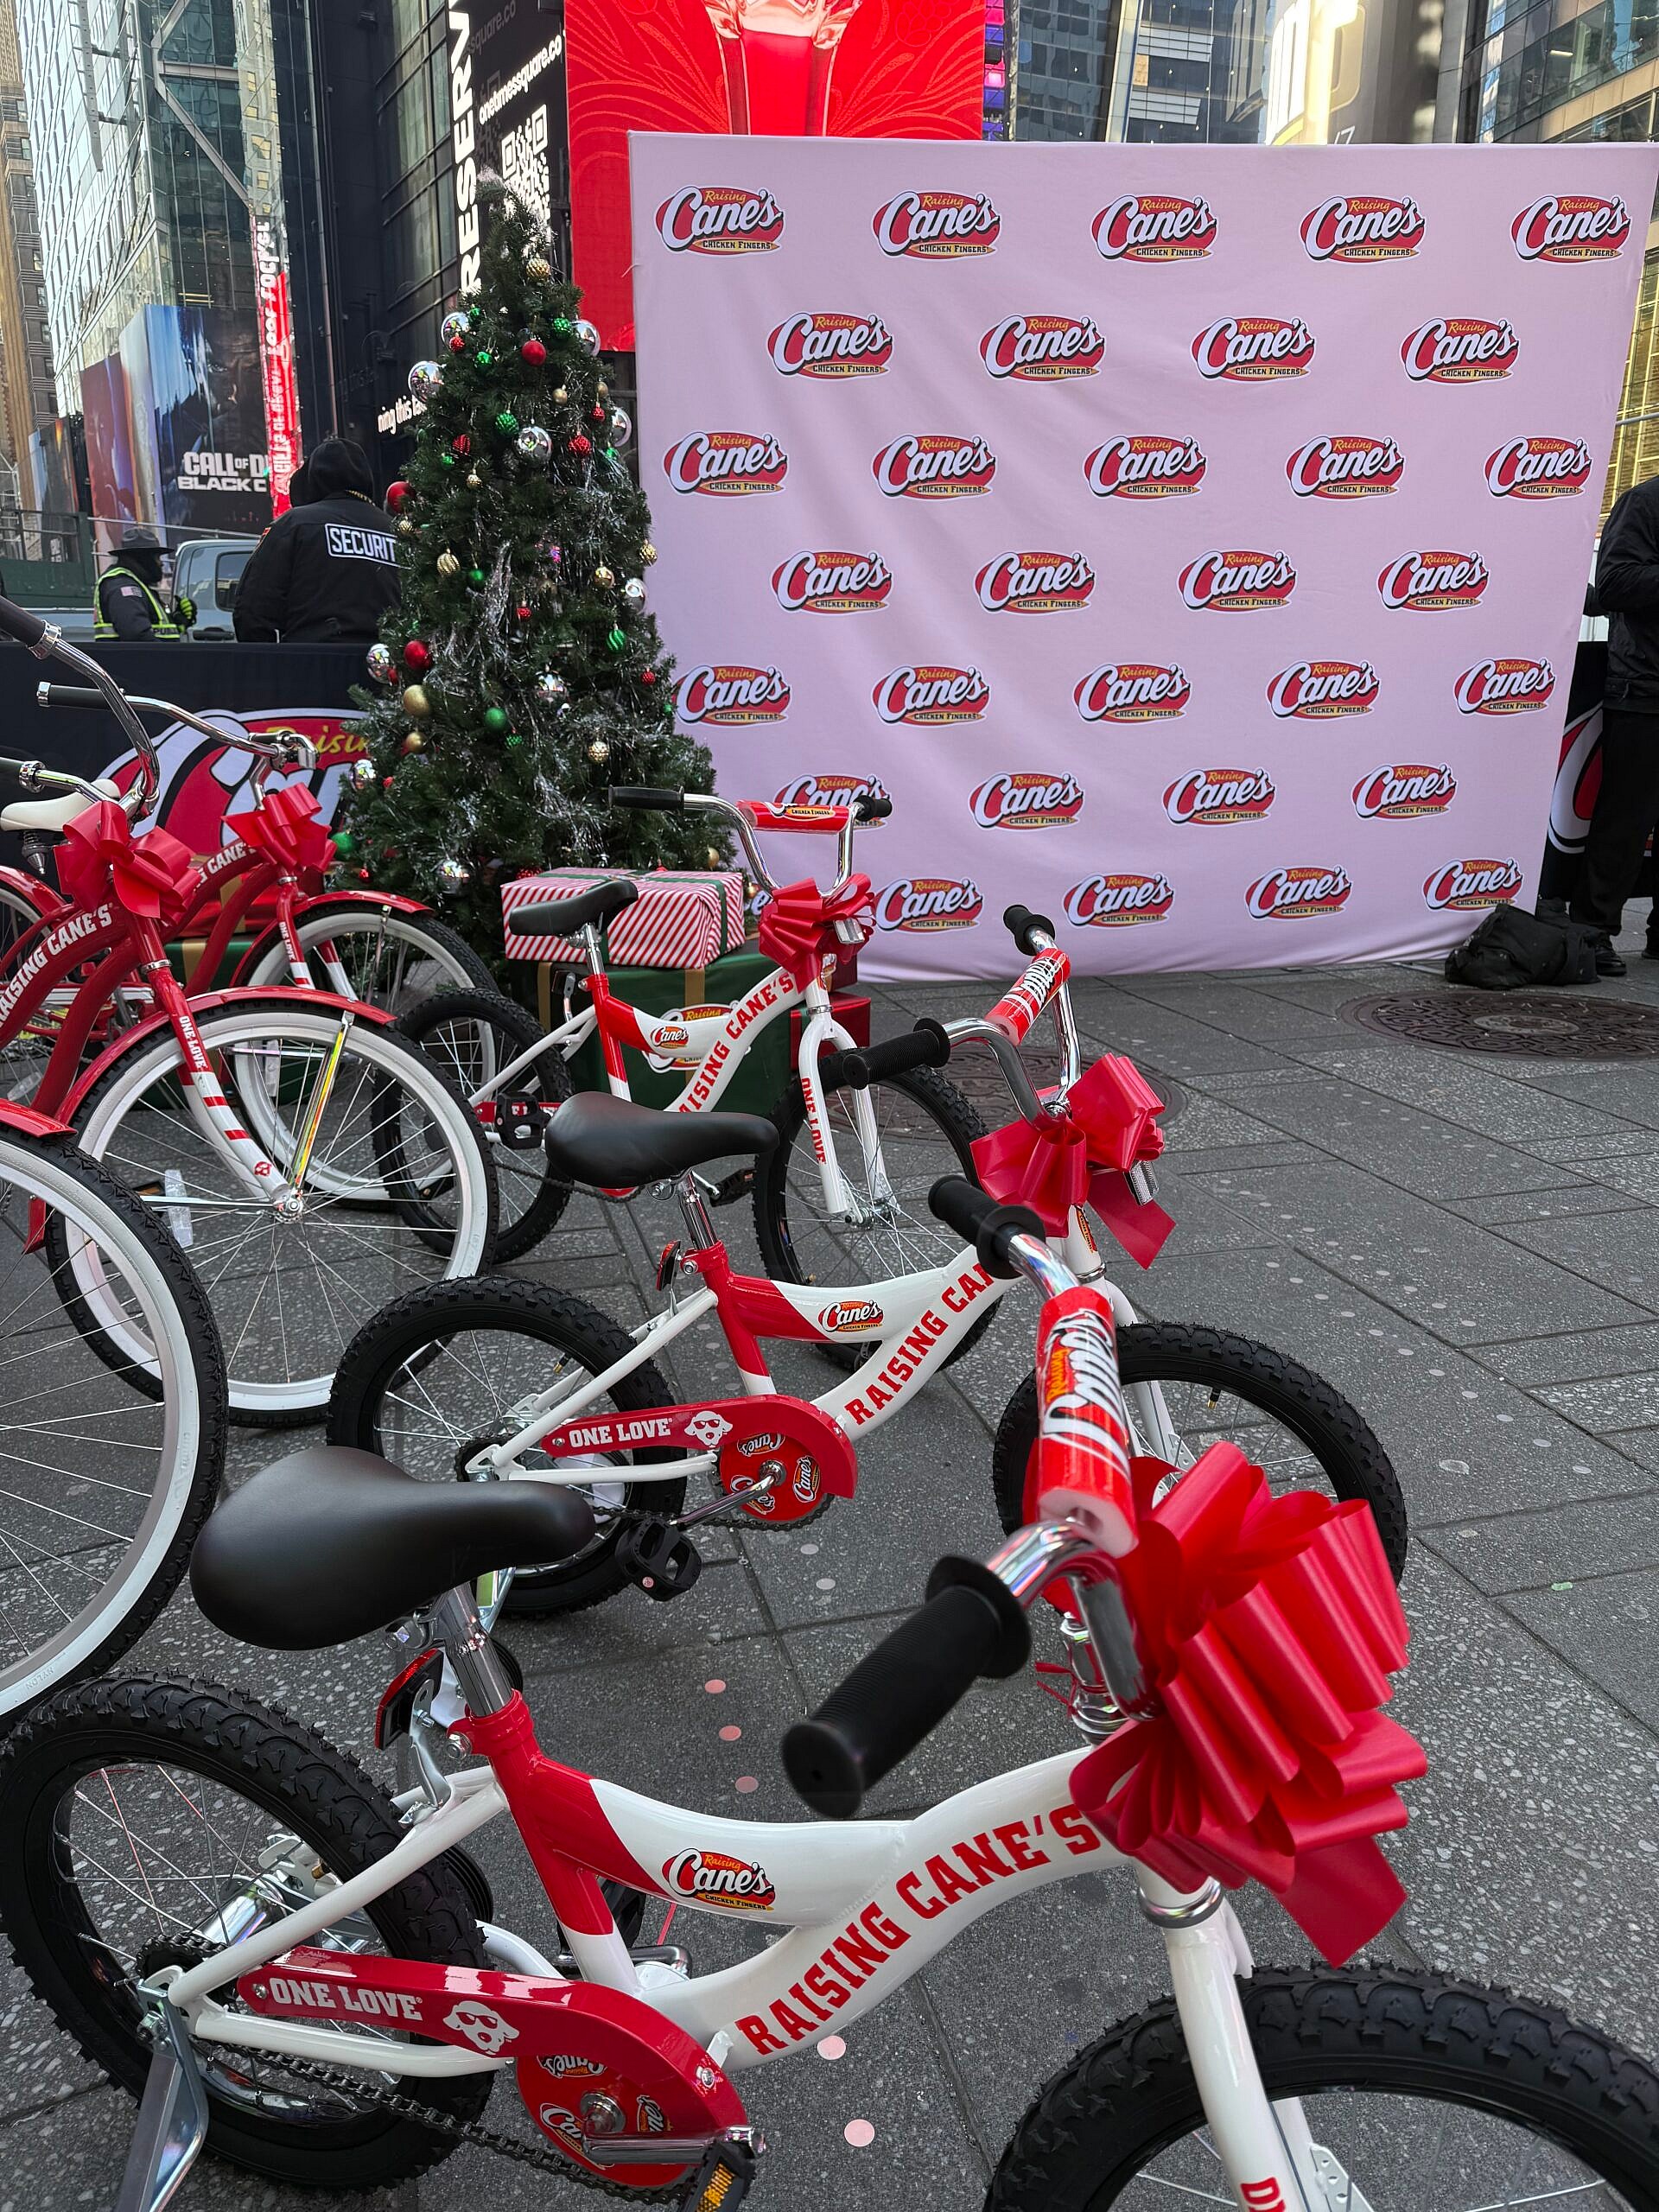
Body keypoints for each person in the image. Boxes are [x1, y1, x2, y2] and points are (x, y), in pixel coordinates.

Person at [1572, 479, 1659, 976]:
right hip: (1645, 690)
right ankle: (1592, 931)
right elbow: (1616, 584)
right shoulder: (1644, 503)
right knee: (1625, 823)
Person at [232, 437, 401, 644]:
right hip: (388, 665)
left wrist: (270, 662)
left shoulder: (294, 524)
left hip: (313, 663)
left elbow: (252, 607)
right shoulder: (394, 530)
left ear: (312, 481)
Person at [93, 524, 186, 640]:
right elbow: (137, 636)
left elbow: (156, 631)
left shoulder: (137, 585)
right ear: (143, 558)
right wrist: (169, 656)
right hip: (137, 658)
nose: (161, 564)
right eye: (157, 558)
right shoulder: (124, 587)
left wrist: (178, 621)